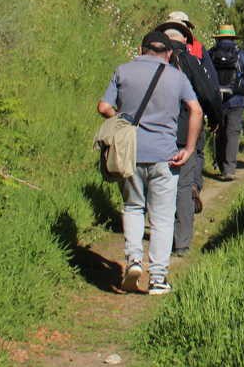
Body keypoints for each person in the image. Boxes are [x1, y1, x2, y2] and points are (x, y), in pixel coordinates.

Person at [97, 30, 200, 295]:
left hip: (130, 154)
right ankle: (158, 278)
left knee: (132, 207)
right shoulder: (177, 77)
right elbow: (195, 110)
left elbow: (103, 107)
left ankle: (133, 261)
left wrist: (122, 117)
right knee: (162, 219)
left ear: (141, 49)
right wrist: (188, 148)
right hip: (166, 156)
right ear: (168, 53)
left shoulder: (123, 71)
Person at [157, 23, 222, 258]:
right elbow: (208, 93)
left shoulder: (149, 62)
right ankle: (181, 242)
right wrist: (216, 118)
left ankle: (159, 235)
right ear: (184, 41)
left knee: (157, 185)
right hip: (184, 133)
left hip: (154, 133)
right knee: (183, 186)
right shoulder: (189, 61)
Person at [208, 24, 244, 181]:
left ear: (219, 38)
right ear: (233, 38)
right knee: (233, 132)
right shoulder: (241, 55)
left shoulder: (211, 54)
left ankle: (222, 165)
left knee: (219, 131)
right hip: (236, 99)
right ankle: (229, 168)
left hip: (216, 99)